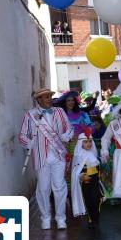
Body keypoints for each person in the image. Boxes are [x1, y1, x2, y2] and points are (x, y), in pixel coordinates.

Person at [19, 88, 74, 230]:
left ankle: (61, 218)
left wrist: (66, 136)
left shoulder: (60, 112)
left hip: (58, 154)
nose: (49, 99)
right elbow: (22, 136)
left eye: (50, 96)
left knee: (60, 186)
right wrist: (30, 143)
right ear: (38, 100)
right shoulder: (31, 115)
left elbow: (69, 128)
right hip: (40, 156)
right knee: (43, 188)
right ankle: (45, 217)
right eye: (45, 97)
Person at [71, 128, 102, 229]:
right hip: (86, 182)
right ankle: (91, 219)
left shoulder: (93, 154)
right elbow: (76, 171)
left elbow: (98, 167)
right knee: (89, 200)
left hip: (95, 180)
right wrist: (81, 176)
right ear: (81, 143)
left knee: (97, 199)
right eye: (85, 142)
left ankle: (96, 219)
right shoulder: (78, 156)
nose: (88, 144)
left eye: (89, 142)